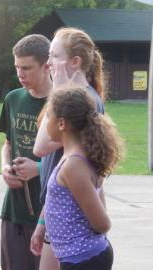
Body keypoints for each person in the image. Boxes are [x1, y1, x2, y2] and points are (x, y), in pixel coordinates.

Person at [31, 27, 106, 270]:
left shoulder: (82, 102)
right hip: (64, 218)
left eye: (54, 55)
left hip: (74, 227)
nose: (48, 62)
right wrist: (44, 220)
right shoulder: (77, 98)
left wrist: (58, 90)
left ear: (75, 61)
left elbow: (40, 147)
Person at [43, 86, 122, 270]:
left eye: (48, 116)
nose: (45, 122)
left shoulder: (73, 165)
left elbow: (102, 223)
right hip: (78, 257)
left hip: (84, 259)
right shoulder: (75, 157)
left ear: (61, 123)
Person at [0, 34, 52, 270]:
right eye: (17, 67)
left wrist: (38, 168)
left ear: (46, 65)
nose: (21, 74)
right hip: (13, 209)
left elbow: (78, 157)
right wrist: (5, 168)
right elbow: (8, 144)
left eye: (27, 68)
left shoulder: (62, 102)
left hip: (46, 211)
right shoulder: (13, 99)